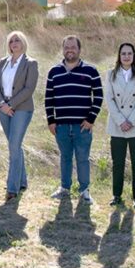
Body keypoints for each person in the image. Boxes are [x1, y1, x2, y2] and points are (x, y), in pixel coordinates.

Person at [45, 35, 103, 204]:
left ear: (79, 49)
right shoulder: (54, 72)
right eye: (67, 47)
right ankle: (64, 188)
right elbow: (49, 98)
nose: (70, 50)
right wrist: (51, 120)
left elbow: (98, 96)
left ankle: (84, 191)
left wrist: (91, 119)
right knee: (65, 157)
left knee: (83, 158)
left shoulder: (91, 71)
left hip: (82, 126)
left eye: (73, 47)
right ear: (63, 49)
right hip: (61, 125)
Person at [0, 31, 38, 201]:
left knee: (13, 145)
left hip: (22, 108)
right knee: (15, 145)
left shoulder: (31, 63)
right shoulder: (3, 62)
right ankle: (23, 181)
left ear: (23, 42)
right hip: (3, 108)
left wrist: (11, 104)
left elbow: (29, 88)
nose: (14, 43)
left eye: (17, 40)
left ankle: (12, 188)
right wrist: (2, 104)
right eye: (11, 41)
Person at [105, 43, 135, 209]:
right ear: (119, 56)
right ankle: (117, 195)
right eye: (123, 53)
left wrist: (131, 121)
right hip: (117, 126)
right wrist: (121, 121)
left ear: (134, 56)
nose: (126, 56)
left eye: (130, 53)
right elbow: (109, 100)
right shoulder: (110, 74)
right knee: (118, 163)